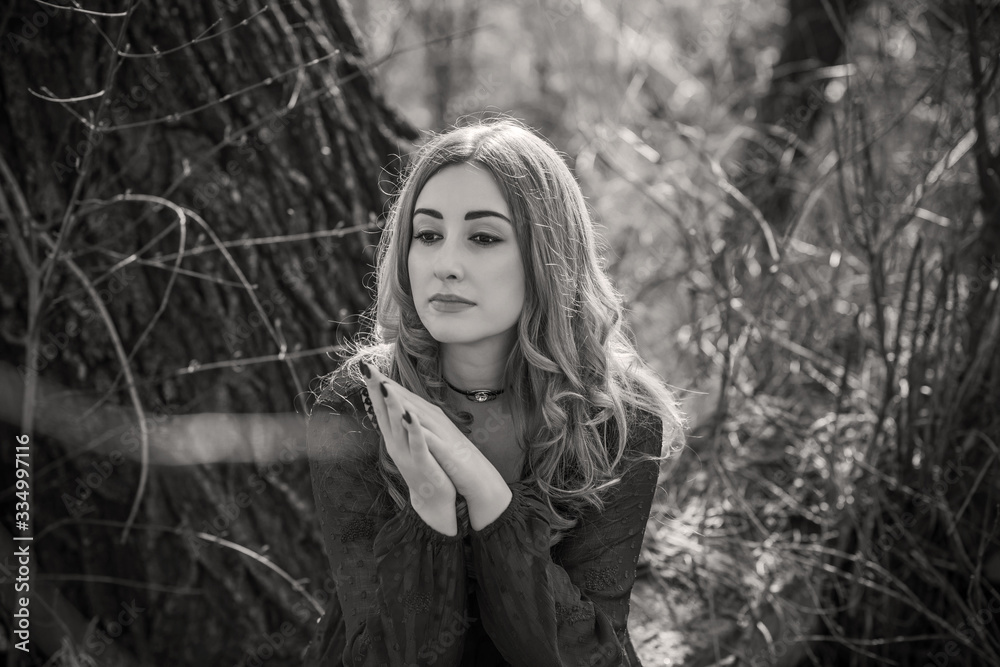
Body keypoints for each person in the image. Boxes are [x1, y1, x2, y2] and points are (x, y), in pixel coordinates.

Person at [302, 117, 685, 667]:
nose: (446, 266)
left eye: (483, 238)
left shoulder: (616, 419)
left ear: (547, 255)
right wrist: (431, 508)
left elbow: (587, 655)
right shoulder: (358, 404)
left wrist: (484, 491)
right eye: (427, 235)